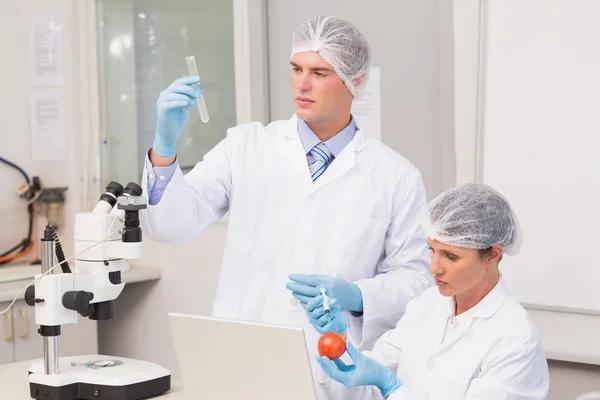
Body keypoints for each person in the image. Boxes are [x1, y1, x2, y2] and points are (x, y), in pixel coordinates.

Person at [140, 14, 432, 379]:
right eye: (296, 69)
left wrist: (357, 295)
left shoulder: (395, 176)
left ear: (354, 81)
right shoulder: (246, 147)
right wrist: (165, 148)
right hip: (242, 358)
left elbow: (418, 282)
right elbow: (171, 225)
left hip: (331, 370)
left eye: (319, 73)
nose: (302, 84)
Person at [308, 183, 550, 399]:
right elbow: (368, 386)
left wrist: (392, 388)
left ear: (493, 255)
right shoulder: (427, 304)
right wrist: (339, 348)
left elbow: (386, 385)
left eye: (451, 257)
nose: (434, 268)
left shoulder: (515, 339)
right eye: (432, 250)